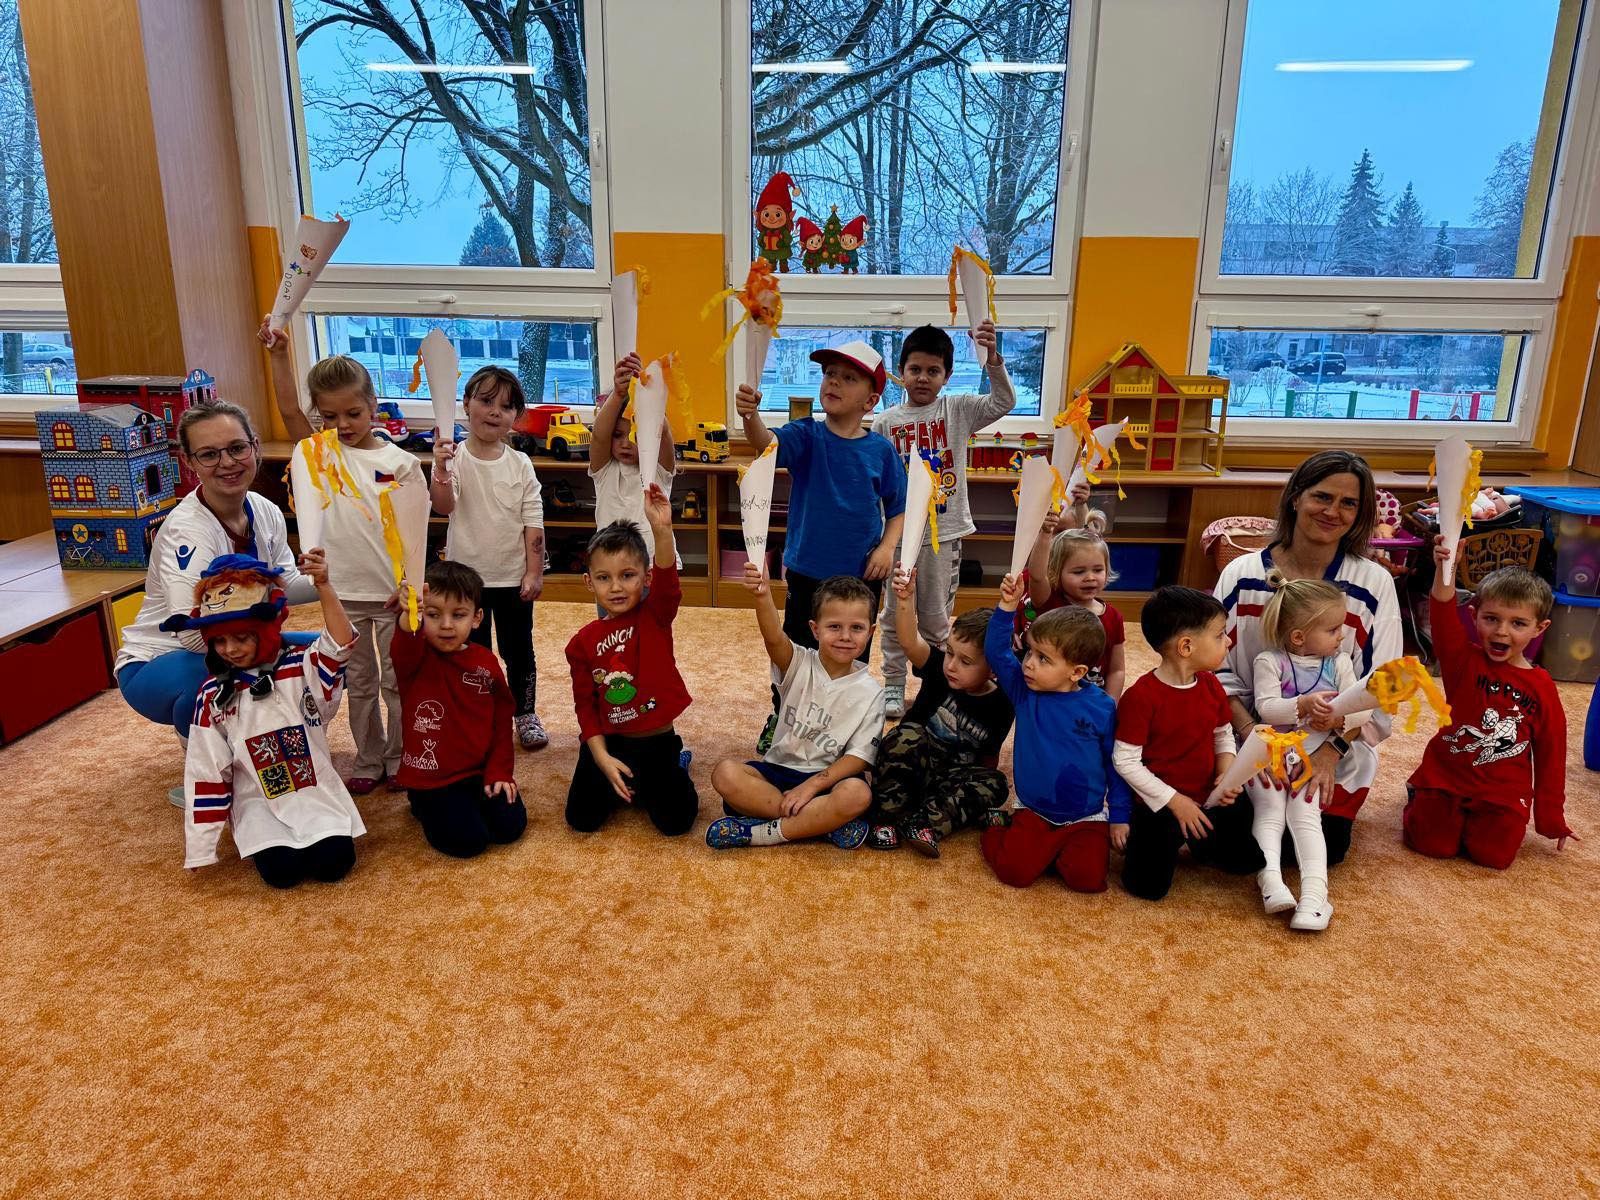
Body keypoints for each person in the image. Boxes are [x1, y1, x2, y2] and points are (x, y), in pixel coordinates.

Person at [115, 403, 318, 805]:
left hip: (234, 644)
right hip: (159, 661)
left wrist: (337, 581)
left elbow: (285, 584)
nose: (227, 462)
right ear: (189, 463)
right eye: (209, 454)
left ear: (255, 447)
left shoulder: (265, 510)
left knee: (325, 654)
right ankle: (205, 777)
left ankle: (280, 750)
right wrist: (263, 659)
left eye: (236, 448)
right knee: (213, 677)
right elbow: (191, 636)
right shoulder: (187, 531)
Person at [1213, 450, 1400, 866]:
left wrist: (1328, 755)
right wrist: (1251, 737)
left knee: (1316, 851)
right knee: (1230, 852)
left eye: (1348, 503)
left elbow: (1383, 687)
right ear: (1296, 497)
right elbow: (1213, 670)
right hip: (1249, 739)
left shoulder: (1373, 583)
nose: (1333, 512)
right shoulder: (1241, 574)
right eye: (1322, 497)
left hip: (1331, 746)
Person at [271, 353, 425, 795]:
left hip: (393, 596)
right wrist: (279, 354)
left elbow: (416, 532)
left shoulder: (400, 462)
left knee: (397, 682)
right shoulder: (318, 454)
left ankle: (400, 756)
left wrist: (410, 585)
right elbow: (289, 410)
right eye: (330, 416)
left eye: (353, 413)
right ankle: (369, 758)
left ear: (373, 404)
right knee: (359, 683)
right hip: (342, 597)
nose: (342, 424)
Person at [175, 550, 364, 889]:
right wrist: (201, 845)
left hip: (314, 794)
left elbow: (339, 644)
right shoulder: (212, 695)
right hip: (259, 802)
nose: (230, 649)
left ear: (265, 631)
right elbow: (206, 768)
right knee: (281, 875)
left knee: (334, 865)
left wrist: (323, 585)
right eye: (219, 641)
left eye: (241, 637)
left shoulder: (300, 667)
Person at [1403, 543, 1575, 869]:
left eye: (1518, 623)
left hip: (1503, 793)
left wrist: (1552, 819)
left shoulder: (1543, 687)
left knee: (1493, 857)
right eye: (1491, 619)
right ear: (1474, 616)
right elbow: (1441, 612)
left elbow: (1552, 753)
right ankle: (1419, 791)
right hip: (1446, 777)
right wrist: (1446, 569)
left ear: (1540, 628)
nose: (1501, 632)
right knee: (1432, 845)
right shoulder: (1461, 659)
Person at [874, 321, 1015, 717]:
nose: (923, 378)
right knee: (893, 613)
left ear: (947, 375)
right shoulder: (886, 422)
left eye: (933, 371)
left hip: (944, 534)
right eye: (915, 369)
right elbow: (879, 482)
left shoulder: (957, 409)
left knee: (936, 618)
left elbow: (1003, 401)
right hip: (899, 535)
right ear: (901, 372)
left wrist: (992, 358)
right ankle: (894, 682)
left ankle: (934, 682)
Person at [735, 340, 906, 660]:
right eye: (829, 373)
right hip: (807, 574)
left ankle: (844, 696)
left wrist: (887, 548)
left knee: (850, 656)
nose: (834, 381)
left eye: (848, 378)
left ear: (870, 401)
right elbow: (765, 443)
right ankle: (788, 695)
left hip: (860, 578)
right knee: (797, 655)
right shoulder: (805, 435)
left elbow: (899, 507)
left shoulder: (881, 452)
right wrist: (750, 415)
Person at [705, 567, 882, 850]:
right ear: (815, 628)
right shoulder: (798, 662)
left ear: (871, 632)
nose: (846, 636)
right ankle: (820, 824)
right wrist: (762, 595)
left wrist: (811, 786)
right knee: (724, 773)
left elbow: (858, 758)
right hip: (778, 769)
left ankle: (765, 832)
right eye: (834, 627)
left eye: (857, 628)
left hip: (829, 779)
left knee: (858, 795)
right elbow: (774, 637)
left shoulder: (872, 692)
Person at [980, 574, 1130, 892]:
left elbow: (1115, 763)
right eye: (1030, 652)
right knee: (1013, 873)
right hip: (1034, 809)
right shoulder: (1024, 692)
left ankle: (1048, 851)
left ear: (1077, 672)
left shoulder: (1102, 707)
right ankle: (998, 828)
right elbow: (996, 652)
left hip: (1086, 816)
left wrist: (1119, 814)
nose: (1028, 664)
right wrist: (1007, 606)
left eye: (1043, 659)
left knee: (1088, 880)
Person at [563, 489, 698, 837]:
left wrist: (662, 530)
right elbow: (585, 707)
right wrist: (601, 758)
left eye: (627, 575)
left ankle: (677, 762)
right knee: (581, 819)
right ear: (588, 582)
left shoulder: (655, 615)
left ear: (646, 578)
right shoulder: (581, 643)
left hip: (657, 741)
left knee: (676, 824)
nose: (616, 587)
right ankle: (622, 777)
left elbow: (669, 585)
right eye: (604, 577)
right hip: (611, 742)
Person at [430, 365, 549, 751]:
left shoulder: (520, 464)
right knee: (472, 653)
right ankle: (476, 714)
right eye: (485, 401)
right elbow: (443, 505)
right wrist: (440, 468)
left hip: (513, 578)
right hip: (467, 584)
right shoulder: (454, 459)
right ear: (466, 404)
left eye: (507, 406)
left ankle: (525, 713)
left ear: (516, 416)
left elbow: (533, 521)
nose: (495, 411)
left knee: (519, 651)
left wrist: (534, 572)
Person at [1247, 579, 1375, 931]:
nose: (1341, 636)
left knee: (1306, 815)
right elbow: (1266, 707)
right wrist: (1301, 705)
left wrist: (1337, 718)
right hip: (1269, 754)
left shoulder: (1340, 663)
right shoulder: (1269, 661)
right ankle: (1270, 878)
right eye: (1332, 630)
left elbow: (1364, 709)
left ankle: (1316, 896)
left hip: (1313, 756)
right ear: (1299, 637)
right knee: (1270, 809)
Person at [1116, 586, 1258, 902]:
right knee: (1146, 888)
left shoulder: (1211, 685)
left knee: (1244, 862)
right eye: (1220, 635)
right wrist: (1175, 801)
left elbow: (1222, 734)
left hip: (1208, 796)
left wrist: (1226, 772)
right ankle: (1153, 837)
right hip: (1160, 804)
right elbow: (1125, 761)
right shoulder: (1141, 698)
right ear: (1186, 646)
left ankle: (1200, 842)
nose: (1228, 641)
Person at [865, 565, 1012, 856]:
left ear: (995, 669)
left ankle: (923, 822)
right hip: (910, 767)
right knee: (905, 737)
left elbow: (988, 759)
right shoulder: (938, 670)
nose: (951, 665)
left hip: (949, 779)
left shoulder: (1004, 702)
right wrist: (905, 599)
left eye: (966, 662)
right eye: (950, 652)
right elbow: (909, 641)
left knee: (996, 784)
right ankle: (886, 818)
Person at [391, 560, 526, 859]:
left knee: (510, 827)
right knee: (469, 842)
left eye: (459, 614)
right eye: (433, 615)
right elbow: (404, 642)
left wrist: (500, 772)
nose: (446, 625)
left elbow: (501, 721)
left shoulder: (486, 662)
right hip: (433, 778)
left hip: (478, 771)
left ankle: (459, 804)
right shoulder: (414, 658)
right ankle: (420, 799)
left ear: (477, 618)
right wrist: (408, 615)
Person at [1018, 510, 1126, 699]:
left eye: (1098, 570)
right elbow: (1036, 576)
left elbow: (1117, 670)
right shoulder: (1049, 603)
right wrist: (1045, 533)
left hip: (1089, 703)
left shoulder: (1113, 617)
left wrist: (1111, 705)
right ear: (1055, 572)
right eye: (1078, 572)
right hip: (1044, 698)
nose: (1090, 578)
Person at [588, 352, 678, 564]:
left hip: (656, 565)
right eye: (617, 435)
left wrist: (649, 393)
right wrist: (619, 394)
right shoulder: (605, 471)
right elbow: (599, 435)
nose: (626, 443)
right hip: (612, 567)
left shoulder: (657, 470)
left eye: (635, 435)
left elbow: (662, 431)